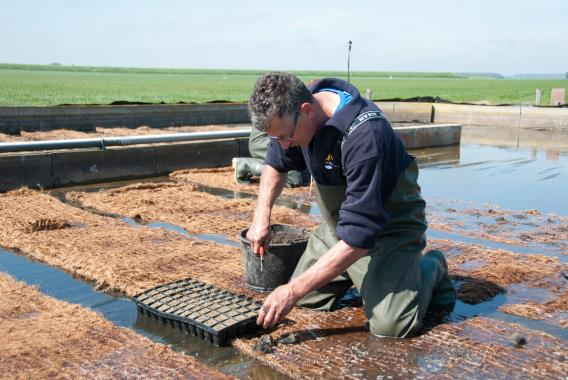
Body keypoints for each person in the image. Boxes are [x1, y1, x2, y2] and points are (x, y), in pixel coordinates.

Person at [246, 72, 456, 338]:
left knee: (392, 327)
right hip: (339, 228)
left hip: (387, 230)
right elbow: (276, 163)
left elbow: (359, 237)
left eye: (286, 136)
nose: (284, 145)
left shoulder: (365, 135)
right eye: (276, 138)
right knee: (305, 301)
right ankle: (356, 275)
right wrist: (261, 215)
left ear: (307, 110)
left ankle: (432, 267)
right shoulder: (294, 117)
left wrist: (292, 288)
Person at [232, 127, 310, 187]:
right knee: (294, 179)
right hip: (262, 140)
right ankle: (245, 165)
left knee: (306, 177)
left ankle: (265, 164)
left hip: (275, 137)